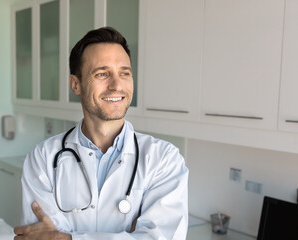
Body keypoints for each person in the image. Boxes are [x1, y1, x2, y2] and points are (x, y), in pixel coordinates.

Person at [14, 27, 188, 240]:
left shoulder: (164, 159)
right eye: (102, 74)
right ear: (75, 84)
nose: (116, 85)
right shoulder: (43, 157)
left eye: (124, 73)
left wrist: (68, 238)